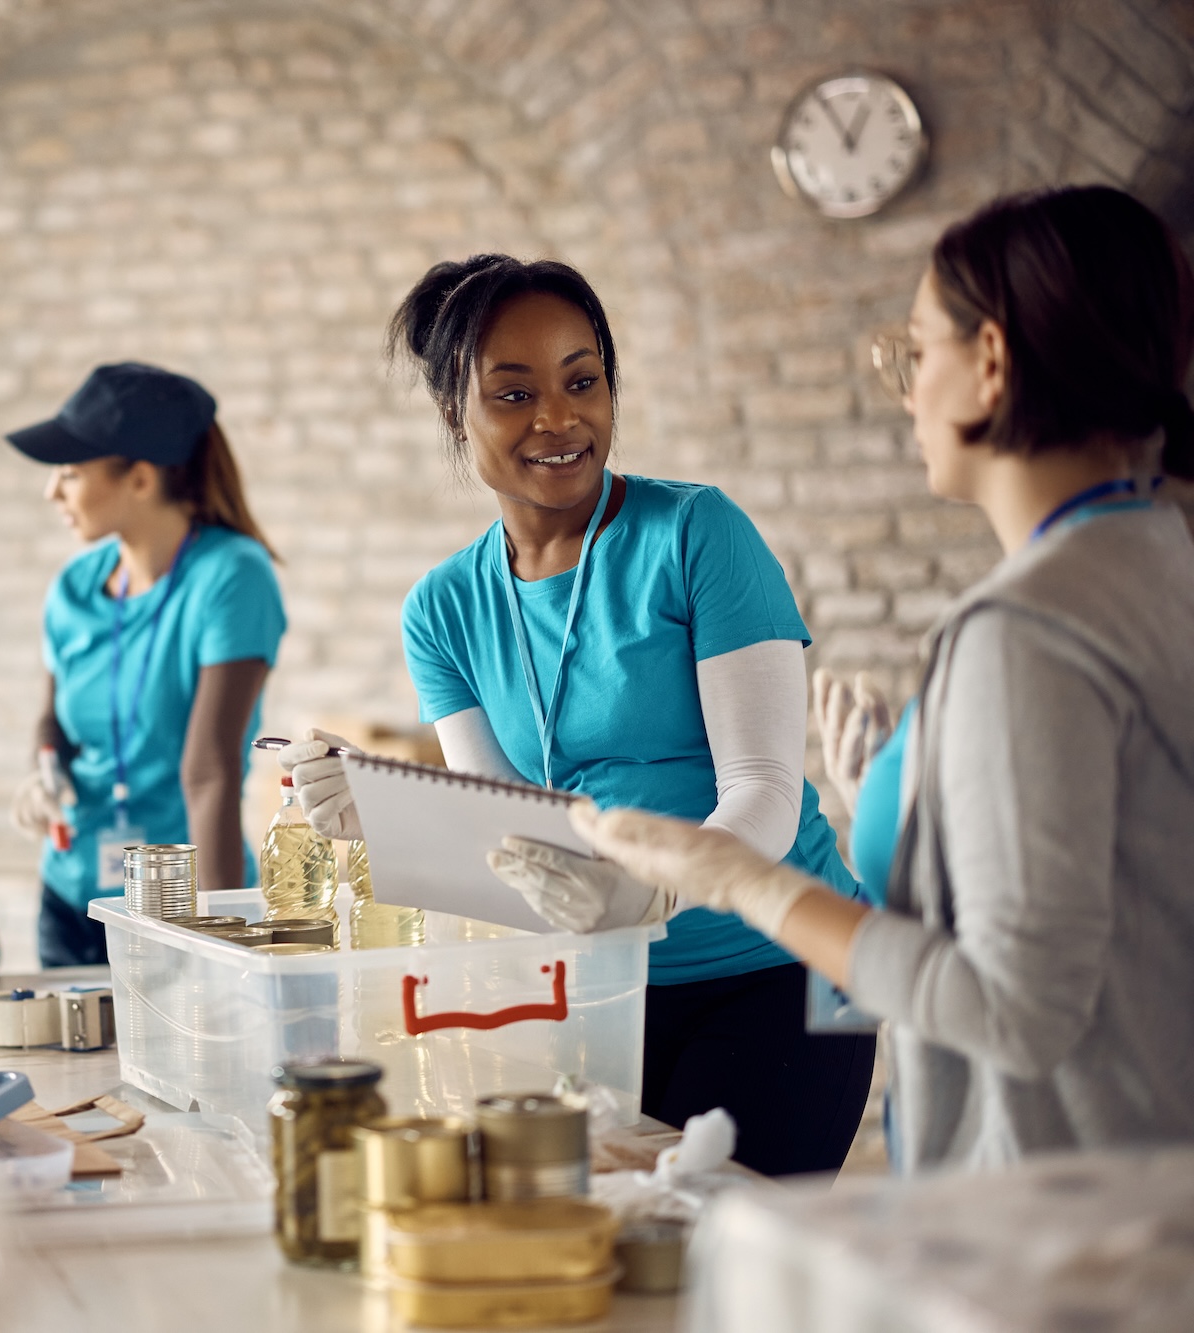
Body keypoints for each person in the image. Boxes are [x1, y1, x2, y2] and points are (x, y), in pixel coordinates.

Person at [564, 186, 1194, 1171]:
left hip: (1058, 1199)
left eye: (914, 351)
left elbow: (1013, 1008)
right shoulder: (1155, 553)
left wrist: (743, 882)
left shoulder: (1026, 631)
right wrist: (907, 808)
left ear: (988, 364)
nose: (904, 391)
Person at [280, 259, 870, 1176]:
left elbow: (765, 788)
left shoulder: (696, 533)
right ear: (454, 414)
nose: (558, 420)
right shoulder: (442, 609)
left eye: (582, 382)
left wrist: (659, 890)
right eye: (513, 394)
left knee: (734, 1256)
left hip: (780, 968)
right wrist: (381, 811)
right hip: (596, 989)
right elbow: (506, 834)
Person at [5, 363, 286, 966]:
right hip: (69, 900)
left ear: (139, 478)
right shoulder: (75, 586)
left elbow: (209, 769)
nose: (52, 491)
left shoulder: (232, 576)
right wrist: (44, 769)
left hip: (181, 907)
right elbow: (52, 719)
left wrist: (222, 938)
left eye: (71, 472)